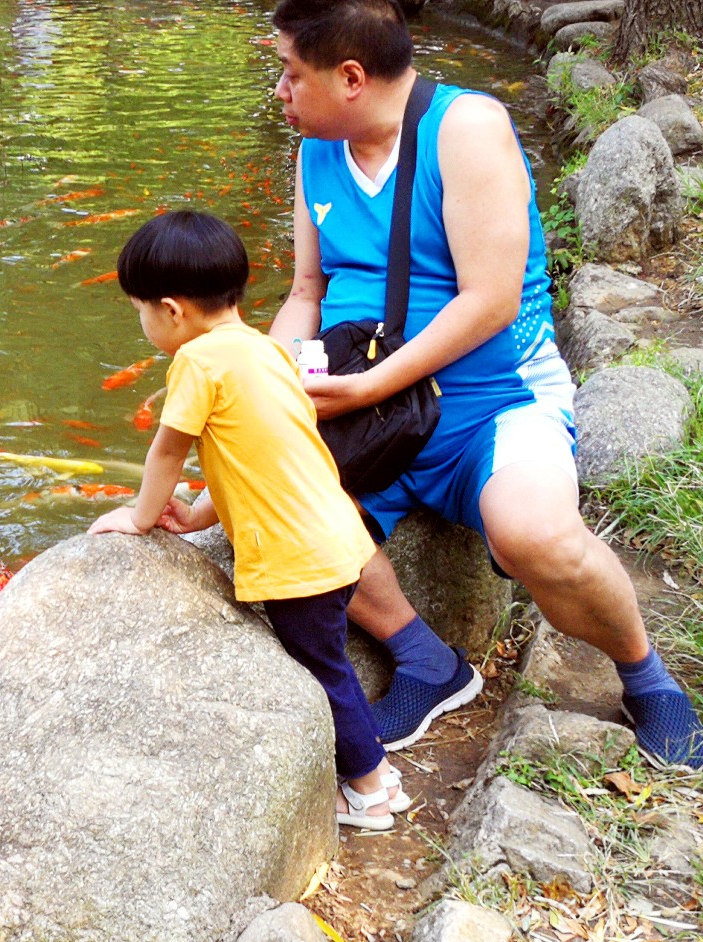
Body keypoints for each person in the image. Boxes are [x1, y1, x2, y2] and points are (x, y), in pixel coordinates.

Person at [269, 0, 703, 766]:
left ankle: (646, 674)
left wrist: (366, 391)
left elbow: (490, 299)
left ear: (349, 77)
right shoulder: (316, 150)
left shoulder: (466, 129)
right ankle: (426, 659)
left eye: (288, 73)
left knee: (534, 532)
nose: (279, 92)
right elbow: (306, 291)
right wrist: (263, 386)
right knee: (267, 506)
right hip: (368, 402)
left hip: (493, 398)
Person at [89, 210, 407, 828]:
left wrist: (141, 515)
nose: (144, 325)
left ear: (172, 310)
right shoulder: (267, 352)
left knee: (323, 673)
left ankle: (370, 791)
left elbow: (169, 449)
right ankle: (380, 774)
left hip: (297, 560)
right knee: (333, 661)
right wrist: (202, 513)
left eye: (140, 312)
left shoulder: (198, 362)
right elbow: (260, 456)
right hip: (337, 536)